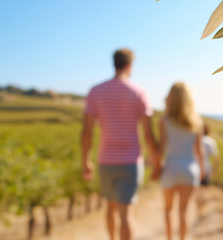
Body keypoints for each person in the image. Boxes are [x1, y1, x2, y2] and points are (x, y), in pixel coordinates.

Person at [81, 48, 158, 240]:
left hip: (106, 161)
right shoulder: (139, 92)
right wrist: (156, 160)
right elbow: (148, 133)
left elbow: (87, 131)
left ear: (113, 63)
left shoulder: (95, 91)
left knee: (110, 206)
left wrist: (85, 162)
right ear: (130, 65)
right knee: (126, 213)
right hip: (131, 162)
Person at [153, 82, 205, 240]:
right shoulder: (196, 122)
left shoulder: (165, 121)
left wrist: (156, 167)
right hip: (190, 170)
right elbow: (199, 152)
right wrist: (202, 171)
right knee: (184, 210)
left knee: (168, 210)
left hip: (170, 169)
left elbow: (161, 149)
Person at [197, 123, 221, 214]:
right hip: (207, 169)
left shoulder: (195, 140)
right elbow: (216, 157)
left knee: (197, 190)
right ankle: (202, 207)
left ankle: (199, 207)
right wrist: (215, 169)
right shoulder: (210, 142)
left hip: (195, 169)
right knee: (204, 190)